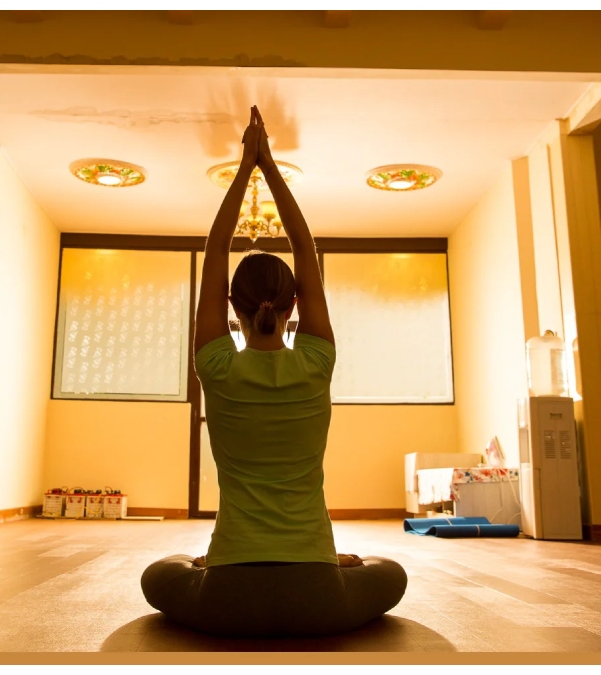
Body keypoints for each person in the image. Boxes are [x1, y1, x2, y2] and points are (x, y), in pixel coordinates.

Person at [139, 107, 407, 638]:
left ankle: (201, 563)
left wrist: (245, 168)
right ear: (294, 306)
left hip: (225, 593)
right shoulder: (317, 361)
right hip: (319, 592)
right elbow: (305, 250)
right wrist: (271, 167)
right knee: (390, 573)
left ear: (232, 306)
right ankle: (336, 562)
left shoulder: (215, 366)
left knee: (157, 574)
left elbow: (216, 250)